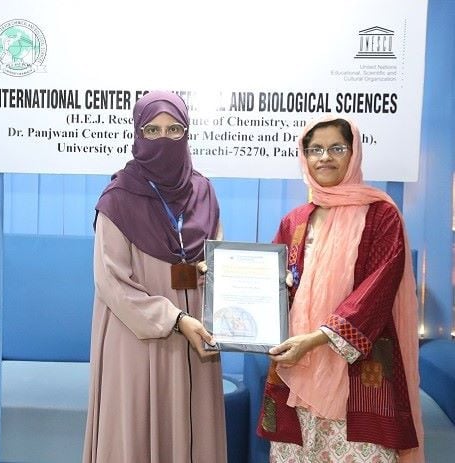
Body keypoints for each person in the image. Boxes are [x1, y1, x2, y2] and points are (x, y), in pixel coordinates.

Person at [257, 115, 423, 462]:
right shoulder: (295, 220)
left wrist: (316, 338)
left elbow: (376, 292)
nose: (324, 157)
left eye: (336, 148)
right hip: (296, 367)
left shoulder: (381, 215)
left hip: (358, 369)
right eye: (314, 149)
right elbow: (273, 284)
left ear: (354, 153)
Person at [83, 91, 227, 463]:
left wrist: (225, 281)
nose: (164, 139)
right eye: (153, 129)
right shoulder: (117, 198)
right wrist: (175, 319)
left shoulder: (204, 191)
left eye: (174, 129)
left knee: (194, 432)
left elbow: (218, 255)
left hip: (197, 340)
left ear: (187, 132)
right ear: (137, 134)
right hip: (138, 339)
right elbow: (111, 283)